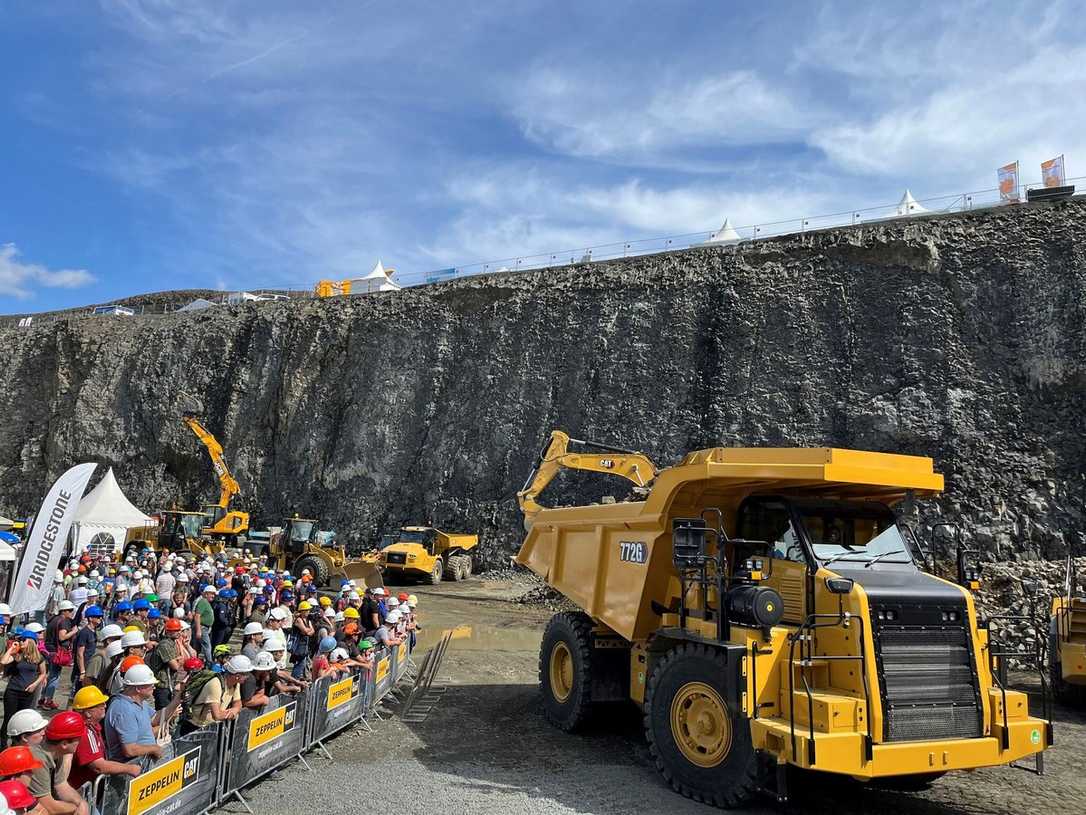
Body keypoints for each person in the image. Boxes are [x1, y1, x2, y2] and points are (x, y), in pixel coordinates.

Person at [67, 687, 140, 792]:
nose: (105, 706)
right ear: (88, 712)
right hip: (80, 793)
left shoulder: (91, 726)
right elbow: (99, 766)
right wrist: (130, 769)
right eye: (100, 704)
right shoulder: (84, 732)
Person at [103, 665, 176, 767]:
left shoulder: (140, 702)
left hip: (143, 765)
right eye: (150, 684)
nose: (154, 687)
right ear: (138, 688)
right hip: (131, 772)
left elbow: (155, 719)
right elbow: (130, 750)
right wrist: (154, 749)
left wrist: (177, 700)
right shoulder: (123, 709)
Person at [27, 712, 88, 815]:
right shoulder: (38, 760)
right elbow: (50, 807)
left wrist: (81, 803)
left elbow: (61, 785)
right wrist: (75, 808)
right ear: (64, 744)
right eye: (79, 739)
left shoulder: (56, 752)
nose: (81, 742)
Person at [181, 655, 247, 735]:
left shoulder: (236, 684)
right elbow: (217, 715)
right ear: (237, 676)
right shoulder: (215, 684)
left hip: (210, 727)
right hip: (195, 728)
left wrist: (235, 710)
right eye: (246, 674)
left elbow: (238, 703)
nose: (248, 677)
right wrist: (233, 714)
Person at [1, 638, 46, 747]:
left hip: (27, 693)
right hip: (13, 691)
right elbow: (3, 661)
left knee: (22, 719)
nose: (21, 642)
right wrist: (12, 648)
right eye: (20, 640)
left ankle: (16, 744)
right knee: (9, 718)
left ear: (30, 642)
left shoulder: (38, 657)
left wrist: (34, 685)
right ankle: (2, 744)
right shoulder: (17, 655)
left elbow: (43, 673)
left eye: (23, 640)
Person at [40, 603, 77, 711]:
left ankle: (42, 699)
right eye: (70, 610)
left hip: (49, 651)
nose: (71, 612)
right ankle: (48, 700)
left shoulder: (52, 619)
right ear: (64, 611)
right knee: (54, 677)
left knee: (50, 675)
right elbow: (62, 637)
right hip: (57, 652)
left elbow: (46, 634)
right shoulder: (64, 621)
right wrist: (74, 631)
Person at [145, 620, 187, 711]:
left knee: (171, 714)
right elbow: (175, 666)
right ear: (168, 631)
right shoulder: (164, 645)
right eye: (175, 630)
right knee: (164, 714)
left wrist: (179, 659)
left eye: (179, 630)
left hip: (170, 683)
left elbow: (183, 658)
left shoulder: (172, 643)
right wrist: (179, 661)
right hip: (162, 685)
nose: (179, 632)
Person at [69, 607, 102, 702]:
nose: (100, 618)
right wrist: (82, 672)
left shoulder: (93, 632)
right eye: (98, 617)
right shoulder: (84, 633)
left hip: (88, 667)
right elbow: (80, 653)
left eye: (100, 617)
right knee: (75, 696)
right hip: (80, 670)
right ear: (90, 618)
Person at [192, 587, 215, 663]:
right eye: (212, 593)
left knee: (198, 647)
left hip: (204, 628)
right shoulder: (203, 602)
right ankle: (209, 663)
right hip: (202, 627)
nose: (213, 596)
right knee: (207, 646)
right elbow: (197, 616)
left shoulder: (206, 602)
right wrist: (199, 630)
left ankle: (196, 661)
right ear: (206, 594)